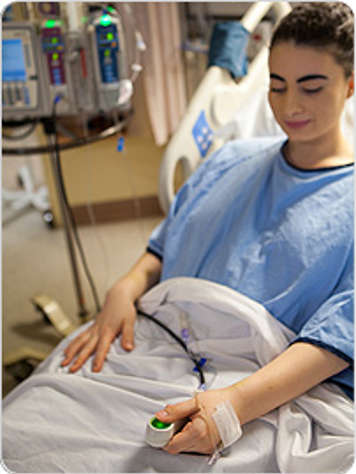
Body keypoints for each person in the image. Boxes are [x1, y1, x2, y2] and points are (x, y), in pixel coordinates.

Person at [62, 2, 354, 456]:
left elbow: (339, 336)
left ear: (351, 84)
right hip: (153, 339)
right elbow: (166, 244)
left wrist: (230, 407)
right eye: (276, 86)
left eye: (311, 87)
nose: (289, 105)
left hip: (261, 380)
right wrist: (125, 285)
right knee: (43, 412)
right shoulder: (229, 160)